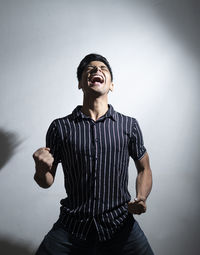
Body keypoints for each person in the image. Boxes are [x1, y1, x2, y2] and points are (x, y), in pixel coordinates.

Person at [33, 53, 154, 255]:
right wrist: (40, 169)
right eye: (89, 69)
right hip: (73, 226)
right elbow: (46, 181)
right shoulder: (60, 127)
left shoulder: (129, 125)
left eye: (103, 68)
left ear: (112, 85)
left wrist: (141, 198)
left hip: (120, 225)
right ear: (80, 83)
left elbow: (144, 168)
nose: (97, 70)